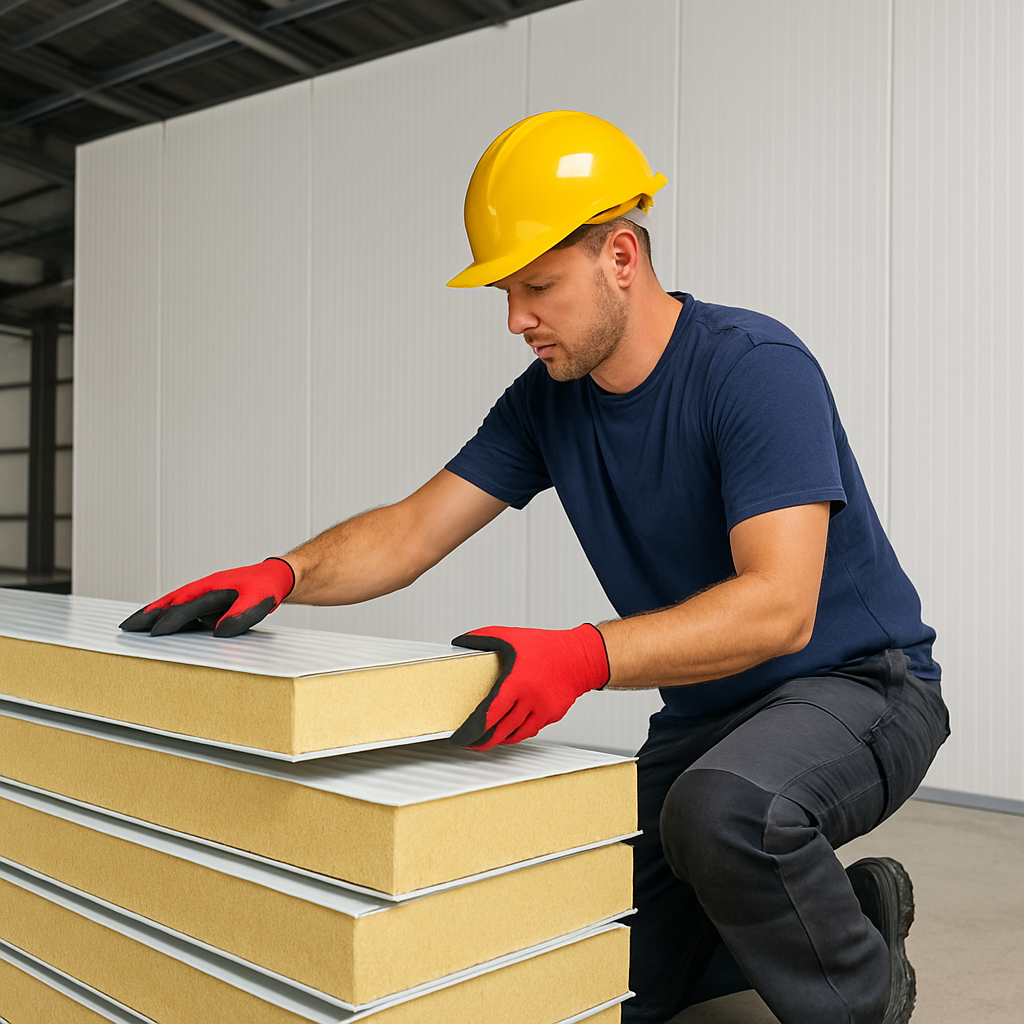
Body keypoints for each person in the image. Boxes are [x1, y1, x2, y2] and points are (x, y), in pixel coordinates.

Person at [120, 110, 949, 1024]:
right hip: (712, 711)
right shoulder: (546, 404)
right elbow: (409, 531)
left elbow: (780, 610)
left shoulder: (754, 369)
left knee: (723, 815)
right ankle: (851, 916)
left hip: (859, 686)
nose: (518, 319)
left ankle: (869, 998)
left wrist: (583, 656)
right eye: (507, 293)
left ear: (621, 257)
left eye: (538, 287)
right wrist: (283, 572)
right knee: (574, 946)